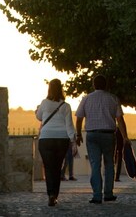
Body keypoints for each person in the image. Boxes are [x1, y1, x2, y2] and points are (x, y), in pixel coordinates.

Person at [75, 74, 129, 204]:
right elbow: (120, 119)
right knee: (110, 164)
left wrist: (78, 134)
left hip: (92, 135)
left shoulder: (86, 99)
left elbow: (79, 118)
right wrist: (125, 137)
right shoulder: (113, 98)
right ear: (106, 85)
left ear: (94, 85)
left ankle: (97, 195)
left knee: (95, 164)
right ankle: (108, 193)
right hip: (109, 135)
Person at [36, 79, 75, 207]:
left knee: (48, 167)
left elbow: (39, 117)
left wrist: (37, 111)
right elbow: (69, 125)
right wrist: (73, 141)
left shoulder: (44, 103)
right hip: (61, 139)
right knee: (57, 168)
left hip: (46, 138)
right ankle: (55, 195)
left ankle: (50, 194)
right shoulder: (66, 106)